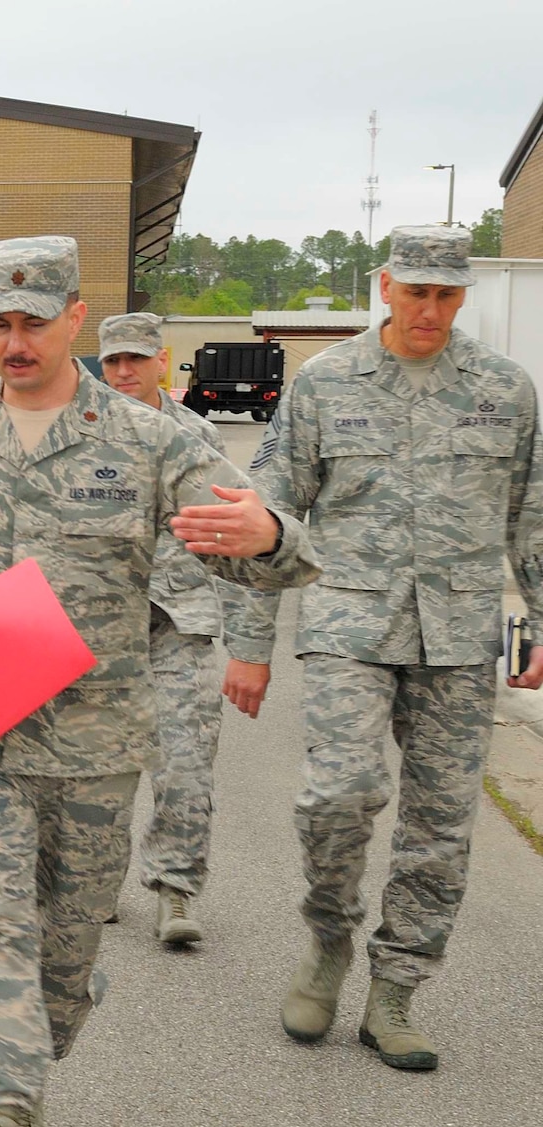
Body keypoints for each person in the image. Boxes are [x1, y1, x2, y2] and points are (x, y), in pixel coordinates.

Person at [0, 236, 318, 1127]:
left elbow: (265, 554)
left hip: (96, 741)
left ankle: (27, 1054)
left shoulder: (148, 442)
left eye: (34, 321)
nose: (15, 340)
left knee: (61, 955)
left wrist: (269, 539)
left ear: (76, 317)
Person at [221, 226, 543, 1072]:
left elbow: (531, 516)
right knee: (341, 792)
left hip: (459, 635)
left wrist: (539, 619)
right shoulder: (326, 383)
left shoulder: (506, 390)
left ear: (463, 295)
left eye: (446, 294)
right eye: (416, 291)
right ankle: (329, 937)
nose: (430, 309)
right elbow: (267, 514)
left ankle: (395, 990)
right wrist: (250, 642)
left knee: (440, 827)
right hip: (348, 625)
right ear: (386, 286)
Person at [96, 310, 241, 946]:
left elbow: (234, 531)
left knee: (185, 761)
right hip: (98, 625)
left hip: (181, 621)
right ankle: (94, 883)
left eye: (136, 359)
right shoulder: (73, 433)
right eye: (112, 361)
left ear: (162, 359)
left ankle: (176, 889)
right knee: (96, 765)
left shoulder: (198, 436)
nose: (124, 372)